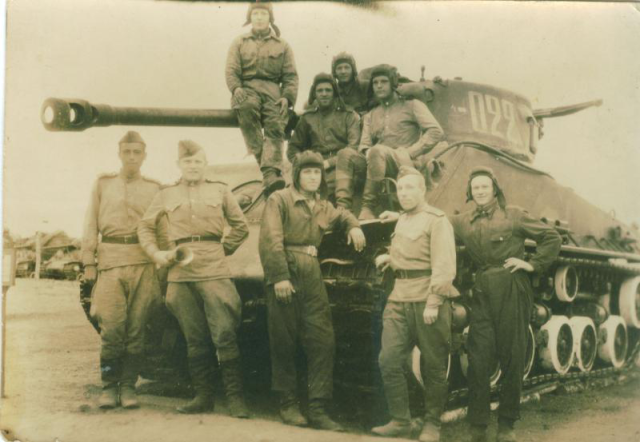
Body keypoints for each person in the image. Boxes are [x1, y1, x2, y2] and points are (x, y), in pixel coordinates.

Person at [138, 140, 250, 417]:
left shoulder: (220, 190)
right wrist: (156, 254)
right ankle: (203, 397)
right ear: (179, 165)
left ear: (205, 164)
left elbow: (241, 226)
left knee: (224, 333)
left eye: (198, 161)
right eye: (187, 162)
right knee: (193, 336)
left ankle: (236, 399)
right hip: (180, 270)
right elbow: (145, 226)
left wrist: (221, 251)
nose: (193, 166)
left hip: (214, 267)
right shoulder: (166, 193)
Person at [450, 167, 561, 442]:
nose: (480, 191)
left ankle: (507, 425)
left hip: (512, 286)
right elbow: (435, 220)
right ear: (470, 191)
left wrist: (532, 264)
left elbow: (551, 237)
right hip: (483, 290)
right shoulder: (464, 221)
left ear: (494, 189)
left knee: (512, 357)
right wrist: (399, 215)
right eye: (475, 187)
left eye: (484, 186)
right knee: (478, 358)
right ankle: (478, 427)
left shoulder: (513, 215)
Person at [259, 151, 366, 431]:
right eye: (307, 172)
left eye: (317, 172)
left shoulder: (322, 205)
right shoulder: (279, 199)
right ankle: (288, 404)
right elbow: (271, 239)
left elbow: (342, 214)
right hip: (286, 267)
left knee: (322, 339)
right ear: (296, 175)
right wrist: (280, 277)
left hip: (312, 270)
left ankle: (318, 408)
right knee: (284, 339)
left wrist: (354, 226)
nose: (313, 177)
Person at [372, 167, 458, 442]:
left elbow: (444, 265)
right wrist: (390, 258)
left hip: (426, 300)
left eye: (410, 188)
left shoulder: (437, 220)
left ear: (423, 190)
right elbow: (410, 250)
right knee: (388, 360)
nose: (404, 193)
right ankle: (400, 420)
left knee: (433, 365)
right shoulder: (402, 219)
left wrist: (434, 302)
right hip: (399, 297)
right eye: (400, 189)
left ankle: (432, 424)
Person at [81, 131, 163, 409]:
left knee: (137, 330)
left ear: (144, 156)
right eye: (127, 152)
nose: (131, 157)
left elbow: (161, 229)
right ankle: (109, 385)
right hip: (110, 263)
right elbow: (91, 223)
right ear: (119, 154)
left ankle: (128, 386)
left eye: (136, 152)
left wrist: (163, 262)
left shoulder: (154, 188)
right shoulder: (103, 184)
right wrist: (89, 261)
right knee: (112, 330)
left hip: (143, 263)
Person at [226, 2, 298, 196]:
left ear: (270, 18)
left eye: (263, 14)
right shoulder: (240, 42)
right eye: (255, 13)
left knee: (276, 121)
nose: (259, 17)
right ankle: (269, 172)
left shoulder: (282, 45)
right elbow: (231, 70)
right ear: (250, 17)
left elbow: (290, 76)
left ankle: (269, 174)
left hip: (273, 91)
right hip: (247, 89)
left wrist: (287, 98)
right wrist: (236, 88)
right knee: (246, 108)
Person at [358, 64, 444, 220]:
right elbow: (364, 145)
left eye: (384, 81)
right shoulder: (371, 115)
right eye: (375, 83)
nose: (379, 86)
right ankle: (342, 209)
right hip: (377, 161)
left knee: (377, 150)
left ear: (393, 83)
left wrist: (411, 152)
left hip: (405, 161)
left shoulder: (412, 105)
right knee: (345, 155)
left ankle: (367, 206)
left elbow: (435, 131)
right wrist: (367, 152)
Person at [287, 73, 365, 212]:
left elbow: (354, 146)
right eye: (320, 91)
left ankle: (342, 212)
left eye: (328, 90)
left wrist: (328, 163)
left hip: (343, 165)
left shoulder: (348, 115)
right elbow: (293, 147)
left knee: (329, 188)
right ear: (314, 94)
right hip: (316, 165)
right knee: (291, 192)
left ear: (334, 93)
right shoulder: (307, 118)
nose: (324, 94)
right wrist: (303, 164)